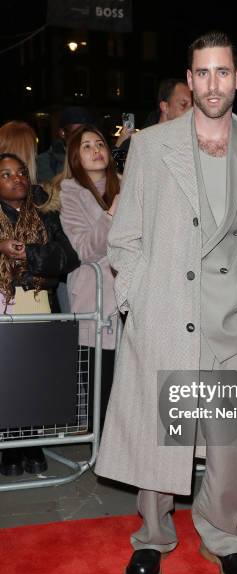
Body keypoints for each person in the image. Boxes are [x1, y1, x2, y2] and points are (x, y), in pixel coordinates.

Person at [95, 31, 237, 574]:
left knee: (231, 448)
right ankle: (153, 538)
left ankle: (222, 536)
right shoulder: (152, 146)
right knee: (163, 440)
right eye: (201, 73)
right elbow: (125, 238)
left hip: (236, 324)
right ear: (190, 79)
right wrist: (138, 300)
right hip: (167, 316)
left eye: (221, 72)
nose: (211, 84)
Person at [0, 153, 79, 476]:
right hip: (5, 307)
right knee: (6, 379)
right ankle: (8, 448)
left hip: (39, 305)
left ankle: (30, 444)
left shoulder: (46, 214)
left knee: (35, 379)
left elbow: (67, 258)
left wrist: (26, 253)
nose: (16, 178)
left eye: (20, 172)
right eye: (5, 174)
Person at [60, 125, 120, 430]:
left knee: (131, 389)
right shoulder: (70, 195)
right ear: (74, 156)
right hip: (94, 303)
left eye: (100, 143)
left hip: (131, 304)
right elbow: (84, 249)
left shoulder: (126, 186)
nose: (96, 149)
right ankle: (103, 454)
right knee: (101, 384)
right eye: (86, 146)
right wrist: (111, 215)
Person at [112, 78, 192, 173]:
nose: (191, 112)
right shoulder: (139, 144)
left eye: (192, 107)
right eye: (183, 105)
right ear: (165, 107)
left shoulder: (190, 143)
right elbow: (114, 177)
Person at [37, 106, 95, 183]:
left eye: (86, 132)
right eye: (76, 133)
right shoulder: (45, 161)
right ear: (62, 133)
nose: (82, 137)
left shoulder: (96, 156)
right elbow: (50, 190)